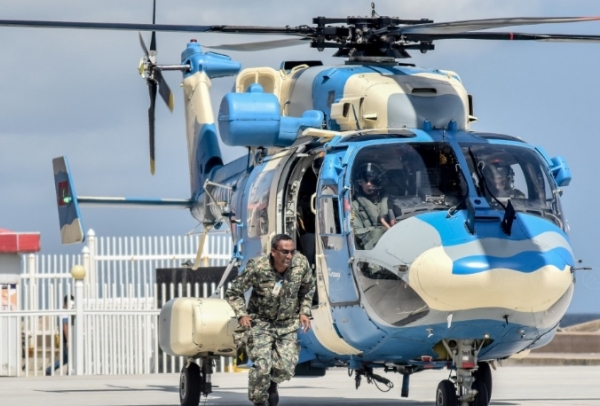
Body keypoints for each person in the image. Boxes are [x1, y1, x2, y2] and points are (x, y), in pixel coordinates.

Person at [225, 234, 315, 406]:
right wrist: (242, 314)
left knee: (285, 368)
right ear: (273, 251)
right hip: (260, 323)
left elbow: (308, 288)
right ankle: (260, 401)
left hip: (287, 323)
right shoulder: (257, 267)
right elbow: (234, 292)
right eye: (285, 252)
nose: (289, 256)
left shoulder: (301, 264)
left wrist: (304, 311)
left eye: (292, 251)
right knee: (262, 367)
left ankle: (272, 383)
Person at [351, 163, 394, 250]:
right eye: (364, 181)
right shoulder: (354, 206)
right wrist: (379, 230)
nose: (368, 184)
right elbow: (356, 231)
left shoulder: (390, 201)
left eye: (372, 180)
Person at [45, 294, 74, 376]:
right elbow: (65, 326)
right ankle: (69, 372)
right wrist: (68, 340)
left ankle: (49, 370)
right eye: (70, 303)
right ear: (65, 303)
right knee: (69, 358)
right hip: (65, 338)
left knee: (65, 359)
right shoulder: (64, 312)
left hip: (64, 337)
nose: (71, 305)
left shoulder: (63, 311)